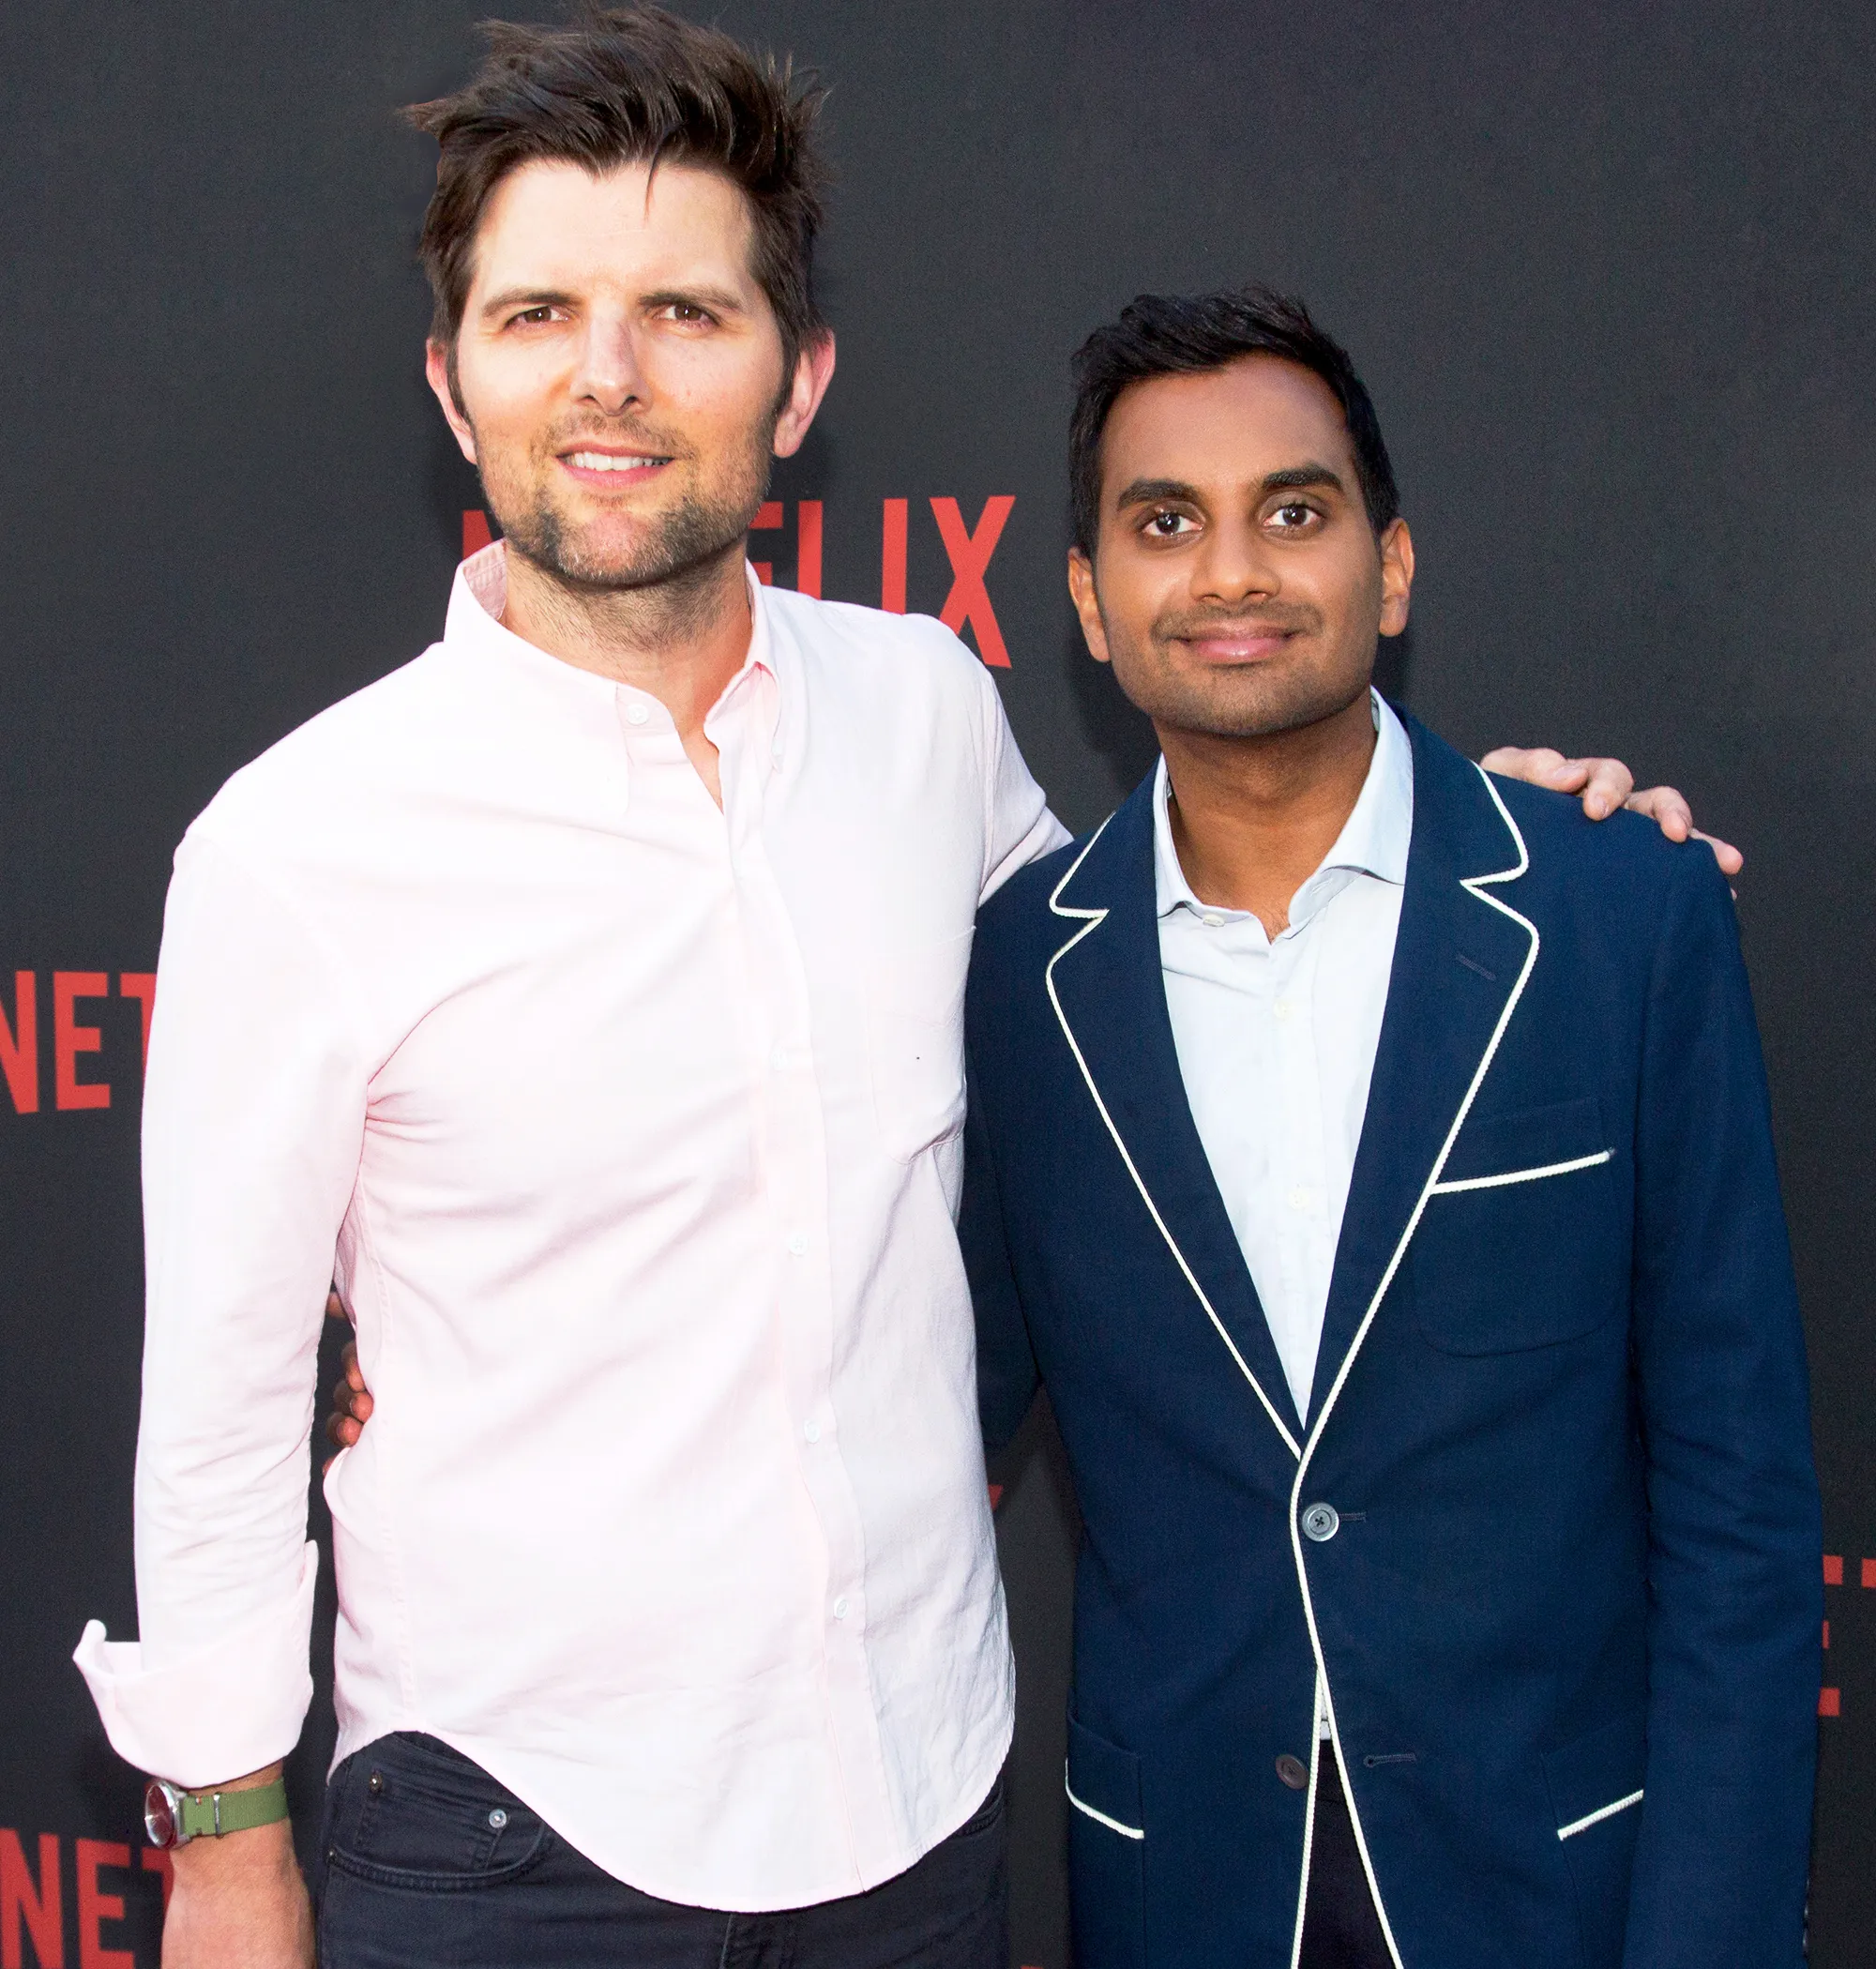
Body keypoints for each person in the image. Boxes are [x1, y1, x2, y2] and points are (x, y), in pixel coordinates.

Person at [75, 7, 1721, 1965]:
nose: (607, 377)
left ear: (798, 379)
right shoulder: (301, 843)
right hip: (514, 1830)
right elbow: (223, 1405)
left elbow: (1155, 950)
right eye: (537, 317)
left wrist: (1490, 834)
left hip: (917, 1818)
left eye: (685, 311)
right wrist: (230, 1848)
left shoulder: (922, 710)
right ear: (454, 384)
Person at [961, 288, 1822, 1969]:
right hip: (1180, 1889)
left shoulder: (1617, 911)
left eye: (1294, 510)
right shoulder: (1015, 973)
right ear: (1085, 598)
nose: (1231, 572)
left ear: (1394, 564)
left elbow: (1737, 1510)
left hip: (1558, 1884)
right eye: (1165, 523)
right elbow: (917, 1420)